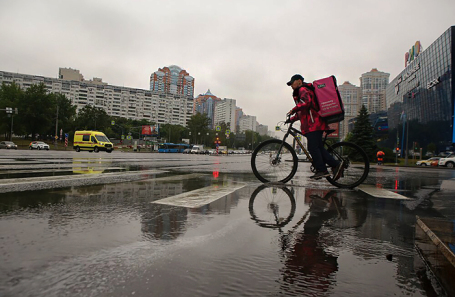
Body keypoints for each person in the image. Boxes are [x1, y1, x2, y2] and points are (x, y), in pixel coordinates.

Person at [286, 74, 344, 180]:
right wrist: (291, 119)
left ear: (299, 81)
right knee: (318, 148)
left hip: (314, 124)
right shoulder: (301, 90)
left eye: (292, 83)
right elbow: (303, 112)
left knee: (313, 148)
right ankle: (334, 166)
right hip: (313, 124)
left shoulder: (302, 89)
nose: (291, 86)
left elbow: (306, 103)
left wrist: (294, 109)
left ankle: (324, 169)